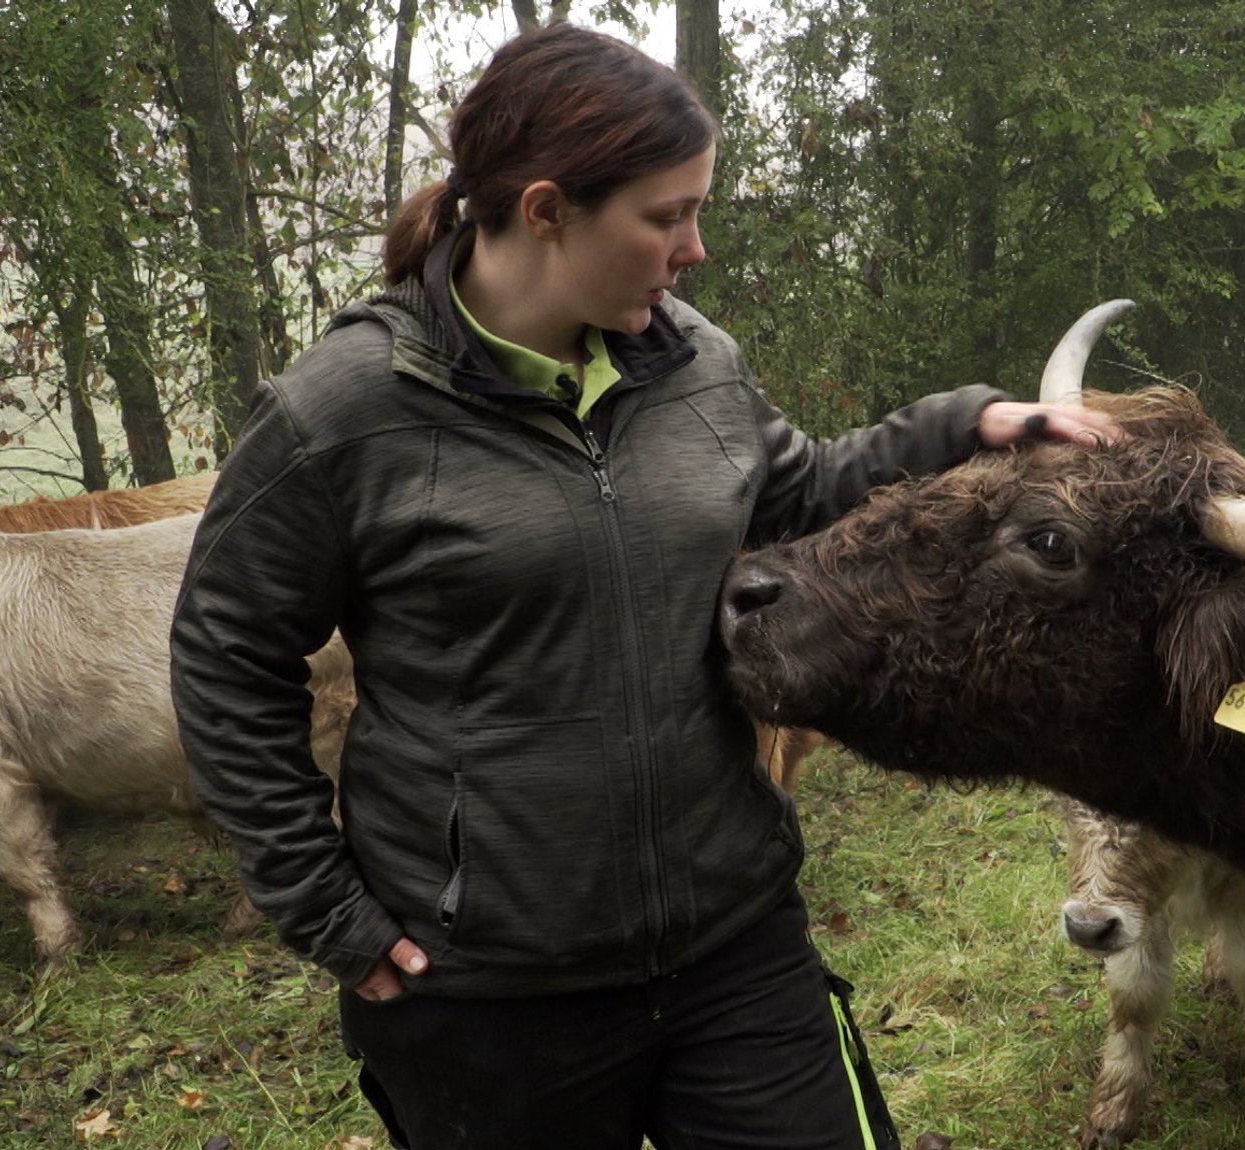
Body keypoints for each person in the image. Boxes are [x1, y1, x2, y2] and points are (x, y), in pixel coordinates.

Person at [168, 21, 1116, 1150]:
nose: (694, 248)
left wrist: (969, 424)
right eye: (666, 216)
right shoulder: (343, 411)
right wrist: (326, 908)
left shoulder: (691, 360)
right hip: (488, 997)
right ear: (544, 209)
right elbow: (225, 657)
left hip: (734, 940)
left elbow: (798, 490)